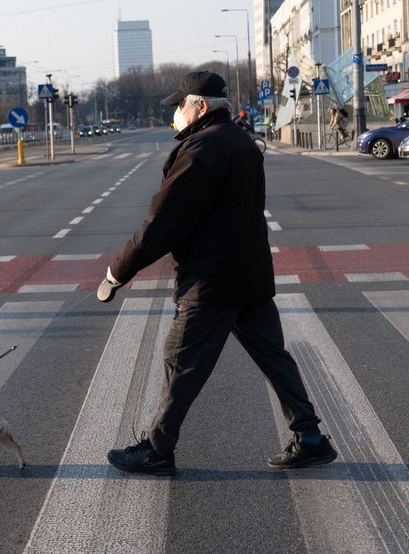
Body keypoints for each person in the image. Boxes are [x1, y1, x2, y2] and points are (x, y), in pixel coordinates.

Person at [98, 71, 338, 476]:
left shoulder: (201, 149)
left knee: (182, 363)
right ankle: (310, 438)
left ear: (201, 105)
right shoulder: (241, 141)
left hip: (211, 280)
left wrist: (117, 273)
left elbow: (163, 223)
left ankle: (157, 450)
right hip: (250, 275)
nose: (175, 113)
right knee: (274, 358)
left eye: (179, 105)